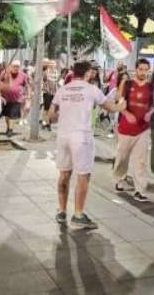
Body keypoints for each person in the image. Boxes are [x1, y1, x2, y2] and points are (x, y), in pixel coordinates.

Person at [48, 61, 125, 229]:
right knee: (83, 175)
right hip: (81, 137)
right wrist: (121, 106)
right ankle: (78, 214)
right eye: (91, 72)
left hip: (63, 135)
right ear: (88, 73)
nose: (93, 75)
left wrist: (63, 113)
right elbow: (109, 107)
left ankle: (61, 211)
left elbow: (51, 114)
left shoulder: (64, 89)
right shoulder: (91, 89)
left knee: (64, 174)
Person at [113, 58, 154, 202]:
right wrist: (126, 113)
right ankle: (119, 179)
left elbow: (153, 105)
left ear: (149, 71)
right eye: (141, 69)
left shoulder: (151, 87)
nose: (143, 72)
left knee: (140, 161)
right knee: (122, 158)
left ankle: (139, 190)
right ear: (136, 70)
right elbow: (120, 101)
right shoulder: (127, 84)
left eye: (146, 70)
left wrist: (150, 114)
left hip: (143, 129)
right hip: (125, 128)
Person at [0, 60, 27, 137]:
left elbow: (26, 85)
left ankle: (10, 130)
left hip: (17, 99)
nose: (16, 68)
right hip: (5, 98)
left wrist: (27, 96)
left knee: (12, 115)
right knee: (7, 115)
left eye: (17, 67)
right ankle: (8, 128)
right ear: (10, 66)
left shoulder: (23, 75)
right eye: (14, 66)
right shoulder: (4, 73)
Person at [41, 63, 57, 132]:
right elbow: (44, 80)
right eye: (51, 64)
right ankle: (47, 124)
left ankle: (46, 123)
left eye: (54, 64)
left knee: (51, 109)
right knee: (46, 109)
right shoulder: (45, 72)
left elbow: (57, 82)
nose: (53, 65)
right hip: (47, 92)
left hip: (53, 93)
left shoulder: (56, 72)